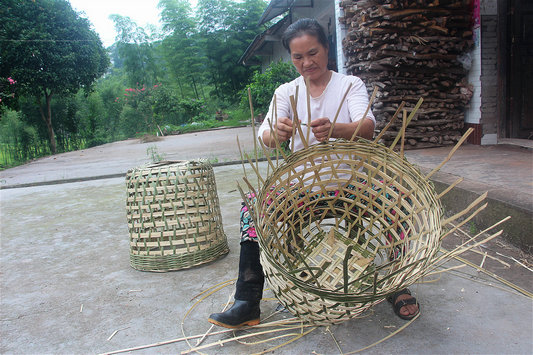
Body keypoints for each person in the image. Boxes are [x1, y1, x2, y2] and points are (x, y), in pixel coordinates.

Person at [208, 18, 419, 329]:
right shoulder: (285, 92)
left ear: (326, 50)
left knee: (395, 200)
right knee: (252, 205)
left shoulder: (350, 85)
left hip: (351, 184)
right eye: (298, 57)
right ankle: (248, 300)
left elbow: (368, 127)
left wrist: (338, 129)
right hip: (301, 188)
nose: (306, 63)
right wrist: (277, 133)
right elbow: (265, 135)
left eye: (313, 53)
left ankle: (396, 283)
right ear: (291, 58)